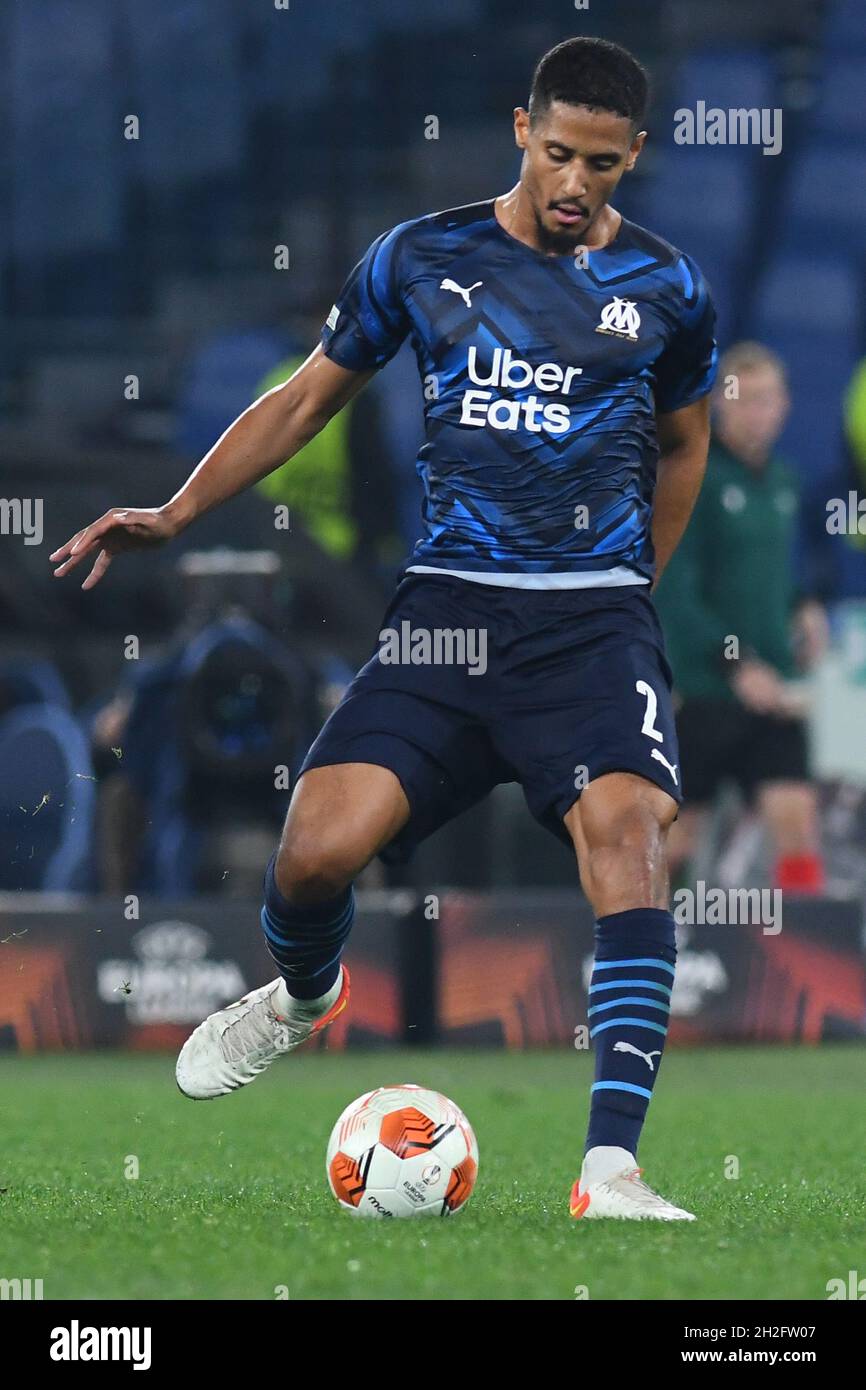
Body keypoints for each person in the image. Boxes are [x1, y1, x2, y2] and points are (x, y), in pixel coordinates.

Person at [51, 38, 716, 1221]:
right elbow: (306, 396)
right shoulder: (419, 258)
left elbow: (682, 444)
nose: (573, 185)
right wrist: (177, 509)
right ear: (520, 129)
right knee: (312, 850)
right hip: (447, 616)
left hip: (589, 630)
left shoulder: (668, 291)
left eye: (601, 166)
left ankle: (608, 1167)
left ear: (634, 158)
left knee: (627, 840)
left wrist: (633, 590)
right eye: (557, 154)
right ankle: (303, 997)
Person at [656, 342, 827, 893]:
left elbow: (771, 574)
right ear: (722, 404)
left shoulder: (783, 482)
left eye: (769, 398)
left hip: (774, 692)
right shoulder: (694, 478)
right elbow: (676, 594)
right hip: (708, 691)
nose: (758, 411)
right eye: (746, 399)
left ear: (785, 405)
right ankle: (652, 952)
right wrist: (736, 665)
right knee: (679, 839)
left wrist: (803, 606)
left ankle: (805, 948)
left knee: (796, 820)